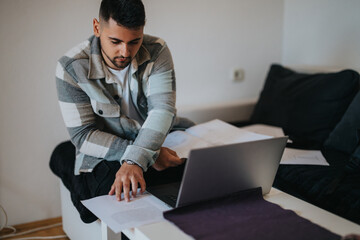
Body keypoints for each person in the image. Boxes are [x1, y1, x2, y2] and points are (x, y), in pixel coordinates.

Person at [50, 0, 193, 223]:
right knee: (108, 193)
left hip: (158, 137)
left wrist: (136, 160)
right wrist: (146, 155)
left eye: (134, 41)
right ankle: (64, 156)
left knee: (203, 173)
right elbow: (83, 135)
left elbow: (163, 110)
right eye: (115, 41)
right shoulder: (71, 67)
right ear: (97, 28)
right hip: (112, 146)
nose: (125, 52)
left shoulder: (157, 50)